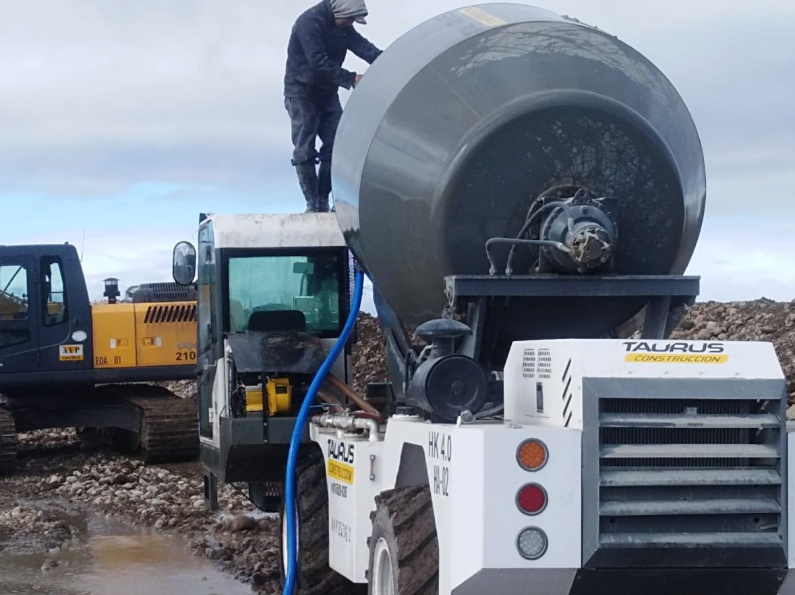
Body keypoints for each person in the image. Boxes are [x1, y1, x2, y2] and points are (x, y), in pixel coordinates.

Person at [284, 0, 382, 213]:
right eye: (350, 18)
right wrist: (351, 78)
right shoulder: (308, 23)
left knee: (337, 145)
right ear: (340, 11)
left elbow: (364, 48)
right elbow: (318, 62)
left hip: (327, 95)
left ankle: (323, 199)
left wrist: (386, 60)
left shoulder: (343, 26)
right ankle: (312, 204)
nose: (351, 23)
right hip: (301, 94)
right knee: (304, 149)